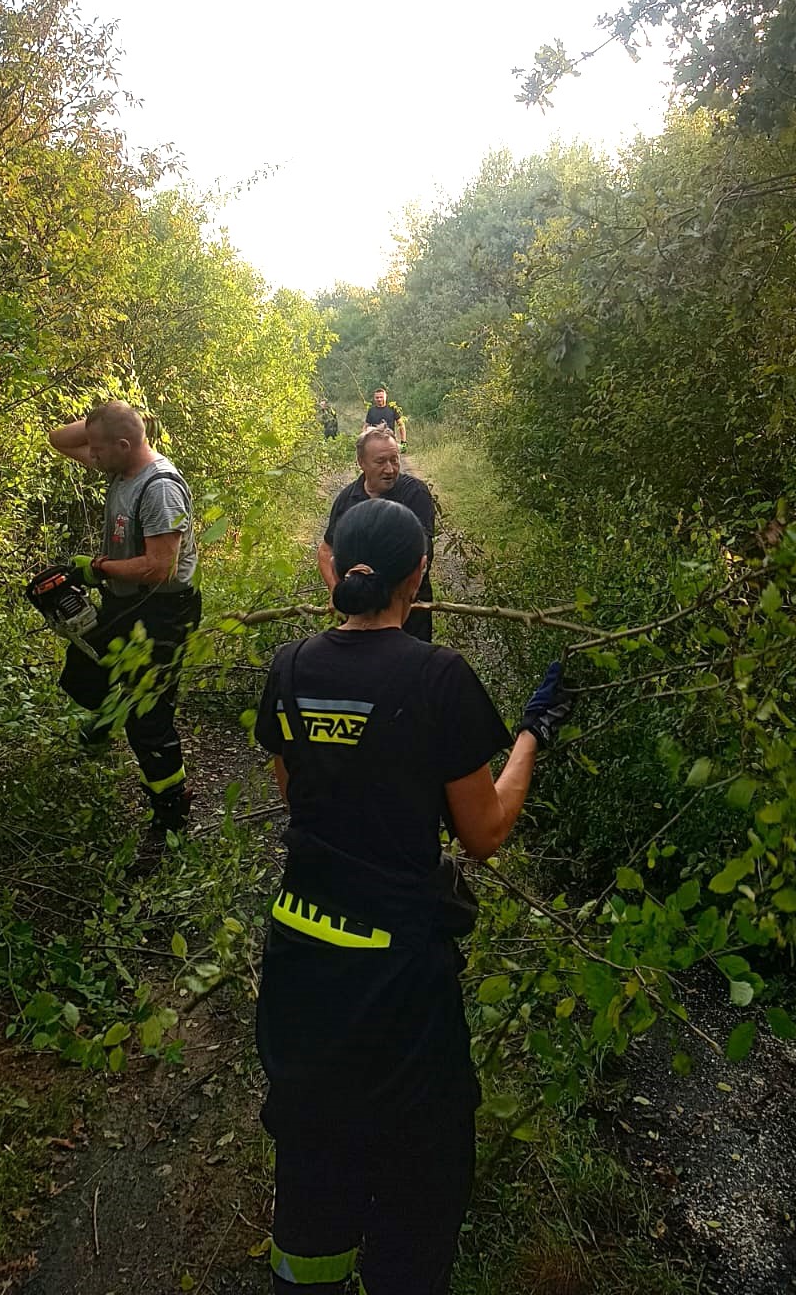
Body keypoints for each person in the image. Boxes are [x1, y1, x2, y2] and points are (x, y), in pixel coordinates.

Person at [255, 499, 572, 1295]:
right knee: (418, 1166)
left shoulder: (287, 668)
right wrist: (532, 732)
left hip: (298, 957)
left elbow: (299, 797)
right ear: (419, 577)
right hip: (396, 974)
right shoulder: (437, 676)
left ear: (330, 564)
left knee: (313, 1145)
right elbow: (485, 831)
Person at [48, 400, 201, 833]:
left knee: (148, 718)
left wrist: (95, 569)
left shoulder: (159, 488)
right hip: (127, 604)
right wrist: (112, 421)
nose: (90, 457)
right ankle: (112, 712)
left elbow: (160, 567)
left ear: (122, 445)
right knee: (84, 672)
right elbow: (59, 439)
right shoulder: (120, 466)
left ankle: (172, 810)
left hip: (163, 611)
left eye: (98, 449)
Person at [317, 427, 434, 641]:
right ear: (361, 463)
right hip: (358, 612)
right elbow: (326, 550)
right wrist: (337, 592)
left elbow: (421, 554)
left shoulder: (414, 493)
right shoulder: (348, 498)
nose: (390, 469)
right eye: (380, 462)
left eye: (394, 460)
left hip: (406, 610)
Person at [363, 386, 405, 451]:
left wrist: (403, 442)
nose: (379, 399)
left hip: (390, 441)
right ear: (374, 398)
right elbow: (366, 426)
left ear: (385, 397)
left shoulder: (392, 409)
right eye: (377, 397)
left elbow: (401, 425)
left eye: (381, 397)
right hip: (375, 442)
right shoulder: (371, 410)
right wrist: (363, 440)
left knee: (394, 460)